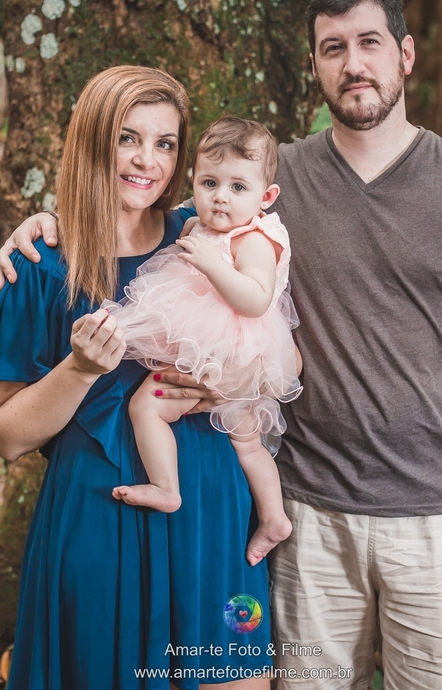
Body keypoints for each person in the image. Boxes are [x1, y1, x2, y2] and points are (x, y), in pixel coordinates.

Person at [0, 0, 442, 690]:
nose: (354, 63)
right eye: (333, 48)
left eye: (370, 43)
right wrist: (46, 223)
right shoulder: (268, 177)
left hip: (440, 514)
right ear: (314, 64)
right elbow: (145, 216)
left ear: (406, 54)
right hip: (306, 511)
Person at [0, 66, 272, 689]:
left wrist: (233, 378)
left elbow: (279, 340)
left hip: (212, 507)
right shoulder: (40, 265)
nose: (147, 161)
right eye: (128, 138)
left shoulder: (207, 236)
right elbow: (6, 436)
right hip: (103, 513)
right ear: (92, 140)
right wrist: (78, 369)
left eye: (165, 143)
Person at [106, 116, 299, 567]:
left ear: (266, 197)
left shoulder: (254, 239)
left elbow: (256, 300)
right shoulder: (196, 224)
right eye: (209, 183)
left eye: (237, 187)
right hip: (215, 345)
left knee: (147, 406)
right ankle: (274, 519)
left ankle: (167, 488)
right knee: (245, 442)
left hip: (234, 348)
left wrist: (213, 264)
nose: (220, 197)